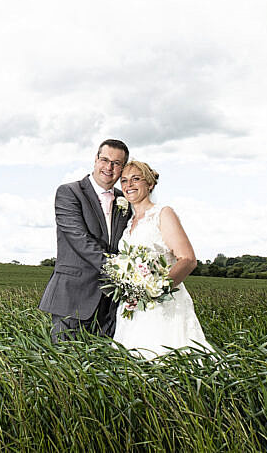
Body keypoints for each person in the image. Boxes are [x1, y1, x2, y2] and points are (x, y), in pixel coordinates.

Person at [113, 160, 213, 359]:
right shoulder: (128, 222)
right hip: (133, 304)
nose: (128, 185)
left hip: (163, 303)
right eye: (124, 181)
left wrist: (157, 289)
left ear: (149, 184)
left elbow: (187, 259)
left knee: (165, 358)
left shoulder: (163, 213)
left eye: (136, 179)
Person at [39, 139, 132, 342]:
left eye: (116, 163)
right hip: (72, 298)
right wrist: (121, 271)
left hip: (111, 303)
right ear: (96, 159)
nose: (109, 167)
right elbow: (78, 239)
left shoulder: (125, 199)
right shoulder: (69, 192)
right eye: (105, 160)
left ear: (122, 168)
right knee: (64, 365)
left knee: (101, 369)